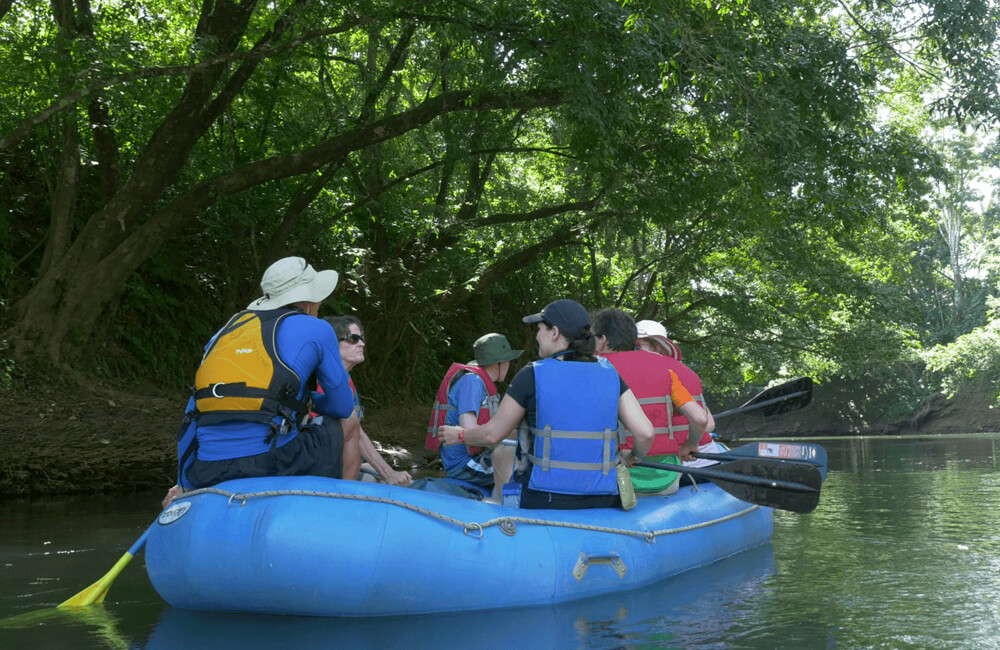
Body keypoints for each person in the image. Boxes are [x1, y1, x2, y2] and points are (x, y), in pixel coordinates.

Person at [167, 257, 360, 503]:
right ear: (308, 300)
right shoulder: (318, 328)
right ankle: (346, 506)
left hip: (207, 467)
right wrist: (309, 400)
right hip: (272, 461)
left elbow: (193, 413)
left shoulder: (224, 332)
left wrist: (183, 484)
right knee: (351, 421)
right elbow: (342, 407)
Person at [438, 300, 654, 510]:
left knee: (501, 453)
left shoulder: (531, 373)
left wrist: (459, 435)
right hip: (603, 497)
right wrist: (633, 457)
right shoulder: (611, 374)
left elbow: (492, 435)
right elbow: (645, 433)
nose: (537, 335)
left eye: (540, 329)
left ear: (555, 332)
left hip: (542, 498)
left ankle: (503, 514)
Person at [591, 308, 712, 495]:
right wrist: (691, 444)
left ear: (603, 340)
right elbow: (701, 419)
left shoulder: (592, 369)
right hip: (667, 479)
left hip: (616, 478)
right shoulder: (668, 370)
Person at [426, 333, 523, 501]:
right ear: (499, 363)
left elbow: (498, 431)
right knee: (524, 473)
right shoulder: (472, 383)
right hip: (464, 465)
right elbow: (469, 433)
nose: (509, 365)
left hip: (478, 458)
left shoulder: (482, 384)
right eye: (508, 360)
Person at [324, 315, 413, 487]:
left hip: (331, 458)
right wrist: (388, 473)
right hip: (314, 463)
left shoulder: (344, 379)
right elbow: (352, 429)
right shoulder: (322, 378)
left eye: (361, 339)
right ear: (332, 344)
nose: (362, 344)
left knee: (371, 474)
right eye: (353, 339)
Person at [635, 319, 723, 482]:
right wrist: (692, 442)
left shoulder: (631, 373)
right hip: (705, 460)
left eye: (637, 345)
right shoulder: (687, 371)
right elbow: (708, 424)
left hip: (664, 468)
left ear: (657, 345)